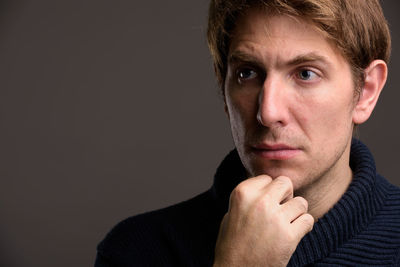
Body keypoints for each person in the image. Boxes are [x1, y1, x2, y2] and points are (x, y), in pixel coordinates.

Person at [95, 0, 400, 266]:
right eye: (248, 73)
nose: (267, 112)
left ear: (366, 92)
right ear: (222, 85)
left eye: (306, 74)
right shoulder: (136, 252)